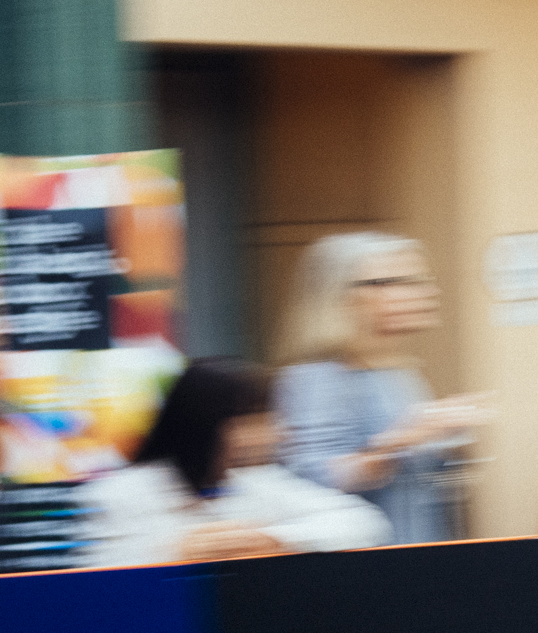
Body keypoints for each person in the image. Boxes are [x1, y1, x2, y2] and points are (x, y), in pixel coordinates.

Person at [275, 232, 492, 544]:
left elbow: (414, 472)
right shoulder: (314, 379)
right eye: (398, 281)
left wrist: (450, 443)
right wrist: (405, 438)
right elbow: (314, 482)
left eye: (419, 280)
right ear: (346, 296)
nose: (425, 292)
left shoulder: (397, 373)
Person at [83, 358, 390, 566]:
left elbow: (364, 523)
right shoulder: (118, 494)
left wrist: (267, 538)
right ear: (208, 423)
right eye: (256, 421)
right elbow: (97, 579)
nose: (276, 434)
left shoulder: (259, 483)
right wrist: (178, 551)